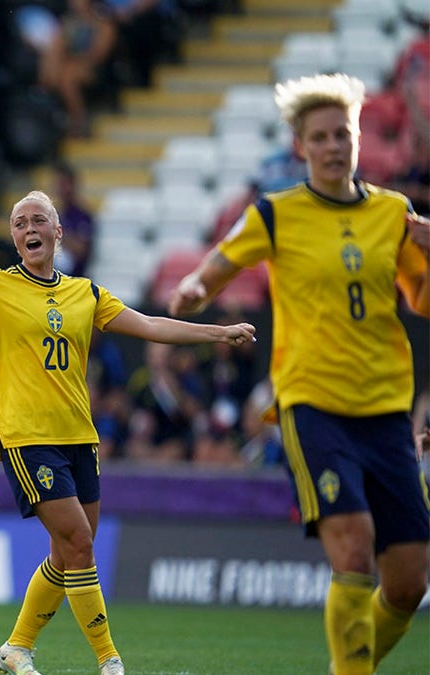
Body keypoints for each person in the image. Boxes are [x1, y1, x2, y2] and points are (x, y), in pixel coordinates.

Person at [0, 189, 256, 675]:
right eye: (19, 223)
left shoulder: (86, 294)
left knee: (70, 552)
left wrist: (217, 332)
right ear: (14, 237)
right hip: (27, 438)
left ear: (58, 232)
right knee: (79, 541)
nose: (29, 228)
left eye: (39, 220)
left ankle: (17, 648)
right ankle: (109, 660)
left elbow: (148, 325)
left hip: (80, 437)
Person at [169, 73, 430, 675]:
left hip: (387, 407)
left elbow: (421, 299)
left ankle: (349, 668)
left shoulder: (394, 212)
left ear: (358, 138)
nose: (335, 146)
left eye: (344, 134)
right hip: (313, 402)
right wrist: (194, 290)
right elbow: (217, 265)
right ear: (300, 147)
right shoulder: (277, 213)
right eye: (321, 137)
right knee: (354, 547)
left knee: (410, 582)